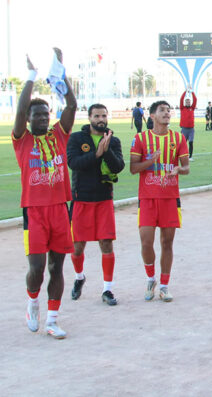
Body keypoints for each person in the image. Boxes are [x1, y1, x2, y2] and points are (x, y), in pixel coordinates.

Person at [13, 49, 77, 339]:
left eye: (44, 114)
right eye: (35, 115)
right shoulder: (22, 141)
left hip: (59, 210)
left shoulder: (59, 135)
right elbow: (19, 109)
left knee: (57, 266)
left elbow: (72, 106)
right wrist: (31, 76)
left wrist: (61, 72)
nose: (41, 119)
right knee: (37, 268)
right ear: (27, 119)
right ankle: (32, 302)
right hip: (34, 211)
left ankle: (52, 319)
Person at [130, 100, 190, 302]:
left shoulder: (178, 138)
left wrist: (177, 170)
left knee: (167, 242)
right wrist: (150, 161)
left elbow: (186, 168)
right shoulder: (141, 138)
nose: (167, 113)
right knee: (146, 242)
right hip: (147, 198)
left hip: (170, 198)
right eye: (162, 110)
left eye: (168, 110)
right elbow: (133, 168)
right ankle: (150, 278)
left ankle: (164, 285)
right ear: (152, 116)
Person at [66, 104, 125, 306]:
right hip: (81, 198)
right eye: (97, 116)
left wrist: (106, 151)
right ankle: (79, 276)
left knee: (106, 243)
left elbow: (119, 166)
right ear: (89, 117)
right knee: (77, 246)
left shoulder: (113, 140)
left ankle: (107, 289)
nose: (101, 119)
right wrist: (96, 154)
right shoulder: (76, 139)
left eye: (104, 115)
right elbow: (73, 163)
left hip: (103, 198)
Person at [179, 87, 197, 160]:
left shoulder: (192, 108)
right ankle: (182, 156)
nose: (188, 103)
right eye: (187, 102)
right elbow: (181, 99)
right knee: (183, 143)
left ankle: (190, 156)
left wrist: (192, 92)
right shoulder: (182, 108)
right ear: (185, 103)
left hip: (191, 129)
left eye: (189, 102)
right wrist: (185, 91)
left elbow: (195, 100)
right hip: (184, 129)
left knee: (191, 142)